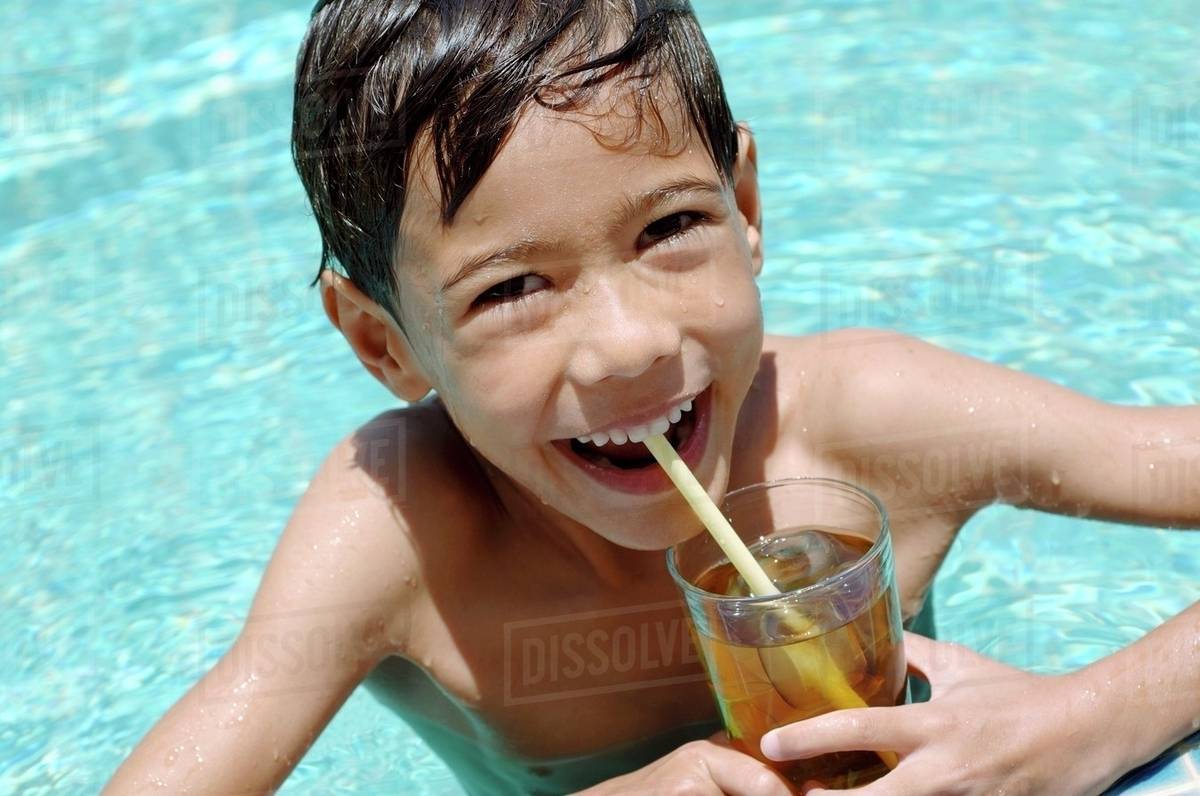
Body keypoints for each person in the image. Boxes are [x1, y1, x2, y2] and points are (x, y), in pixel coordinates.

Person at [104, 1, 1200, 794]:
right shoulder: (400, 534)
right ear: (384, 344)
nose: (628, 346)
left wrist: (1089, 716)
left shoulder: (871, 426)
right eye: (513, 289)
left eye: (670, 228)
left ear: (748, 204)